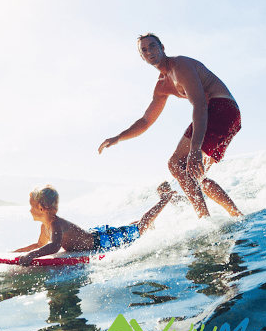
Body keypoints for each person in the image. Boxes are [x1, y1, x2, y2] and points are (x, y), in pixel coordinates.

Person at [98, 33, 242, 219]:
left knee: (176, 163)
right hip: (227, 115)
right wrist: (119, 137)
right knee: (196, 174)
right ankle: (237, 216)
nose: (149, 51)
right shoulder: (161, 86)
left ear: (162, 47)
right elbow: (146, 121)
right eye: (144, 50)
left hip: (221, 108)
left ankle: (204, 219)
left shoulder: (180, 66)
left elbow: (199, 104)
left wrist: (195, 148)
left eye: (152, 46)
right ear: (142, 57)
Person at [14, 183, 175, 266]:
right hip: (91, 234)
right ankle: (139, 221)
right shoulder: (45, 227)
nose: (29, 210)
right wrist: (17, 252)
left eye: (31, 206)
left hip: (100, 241)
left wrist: (31, 256)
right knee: (130, 228)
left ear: (41, 208)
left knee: (140, 227)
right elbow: (40, 244)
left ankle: (164, 199)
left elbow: (54, 246)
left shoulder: (56, 224)